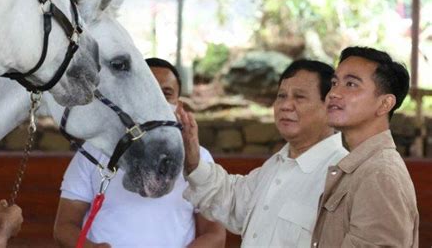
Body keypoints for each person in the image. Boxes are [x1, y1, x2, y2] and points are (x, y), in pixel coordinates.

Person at [53, 58, 226, 248]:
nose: (156, 101)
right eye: (147, 91)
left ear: (180, 106)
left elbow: (215, 233)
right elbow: (64, 227)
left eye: (166, 94)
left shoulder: (197, 159)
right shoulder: (94, 151)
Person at [177, 59, 349, 247]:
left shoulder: (344, 176)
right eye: (281, 96)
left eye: (299, 97)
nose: (285, 105)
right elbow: (233, 201)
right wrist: (193, 160)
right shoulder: (275, 166)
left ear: (330, 106)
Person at [310, 46, 419, 247]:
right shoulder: (360, 166)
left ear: (385, 104)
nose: (334, 93)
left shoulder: (380, 174)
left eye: (351, 84)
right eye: (334, 83)